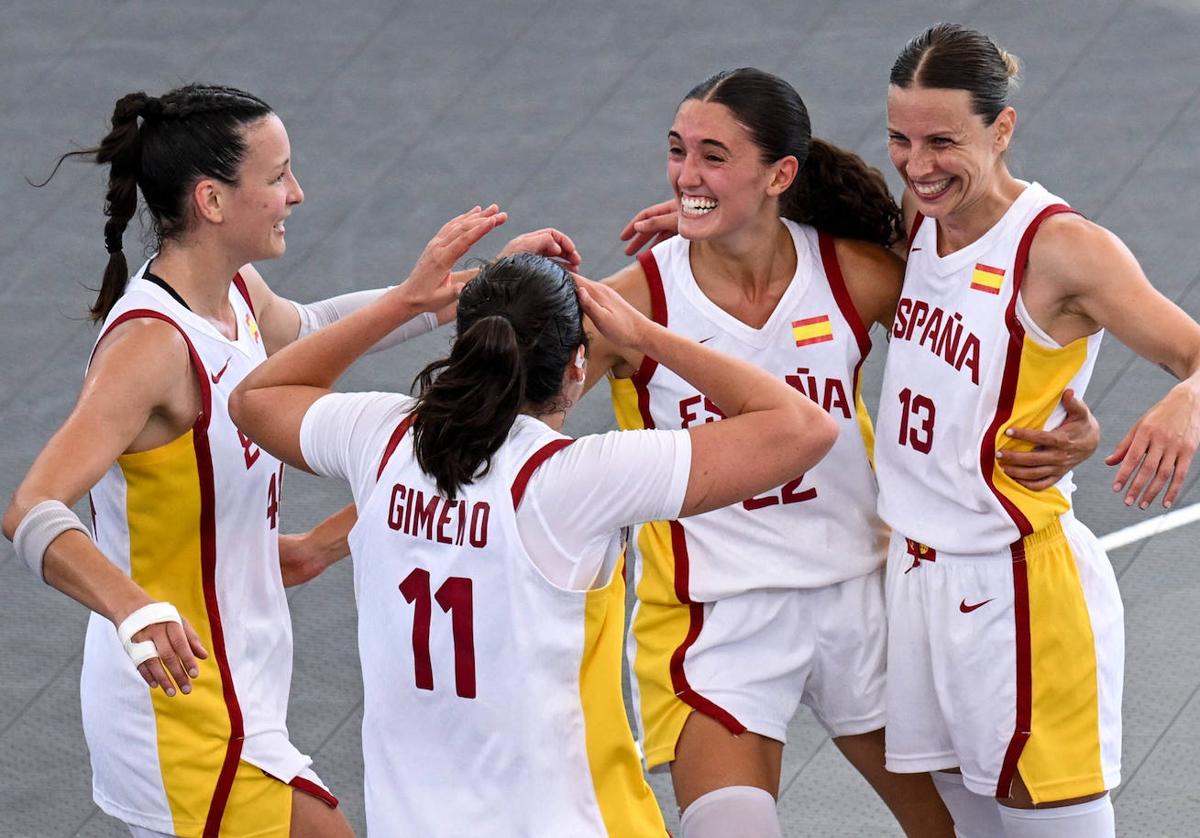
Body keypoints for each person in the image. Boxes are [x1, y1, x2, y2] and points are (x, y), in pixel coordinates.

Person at [1, 84, 572, 838]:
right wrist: (132, 606)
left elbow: (308, 331)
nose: (295, 194)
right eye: (276, 178)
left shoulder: (235, 292)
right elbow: (32, 508)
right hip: (180, 713)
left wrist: (471, 296)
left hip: (241, 695)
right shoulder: (151, 345)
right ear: (211, 199)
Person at [227, 206, 839, 835]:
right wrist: (644, 336)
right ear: (578, 363)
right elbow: (803, 428)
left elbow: (255, 398)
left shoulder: (380, 438)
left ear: (466, 344)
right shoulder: (573, 482)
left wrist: (409, 301)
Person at [609, 69, 1099, 837]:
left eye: (713, 156)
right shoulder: (633, 305)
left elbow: (980, 343)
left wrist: (1075, 425)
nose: (686, 175)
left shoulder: (852, 274)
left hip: (865, 594)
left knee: (964, 832)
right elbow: (503, 389)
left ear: (780, 175)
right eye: (678, 153)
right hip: (717, 618)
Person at [873, 23, 1200, 838]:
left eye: (943, 140)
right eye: (901, 139)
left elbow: (1192, 352)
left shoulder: (1061, 248)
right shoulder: (920, 220)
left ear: (1003, 128)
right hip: (915, 577)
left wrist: (1186, 400)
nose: (918, 164)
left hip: (1013, 586)